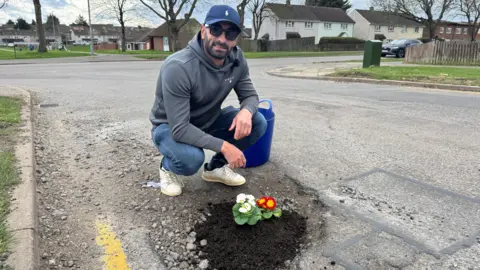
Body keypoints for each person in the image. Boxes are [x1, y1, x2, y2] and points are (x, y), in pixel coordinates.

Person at [149, 5, 267, 197]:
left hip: (207, 120)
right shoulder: (179, 67)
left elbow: (250, 96)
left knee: (257, 121)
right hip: (170, 127)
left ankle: (215, 169)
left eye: (230, 33)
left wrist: (247, 111)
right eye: (216, 30)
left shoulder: (237, 59)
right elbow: (180, 128)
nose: (222, 39)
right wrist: (226, 147)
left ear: (236, 38)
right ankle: (167, 168)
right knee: (191, 159)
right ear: (203, 30)